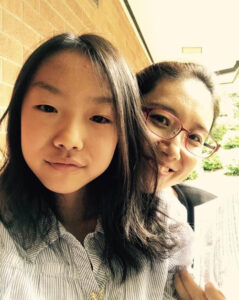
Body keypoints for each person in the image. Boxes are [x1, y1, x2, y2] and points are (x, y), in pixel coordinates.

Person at [0, 33, 194, 300]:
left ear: (123, 132)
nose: (69, 139)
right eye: (47, 107)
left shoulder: (164, 231)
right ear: (18, 112)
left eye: (99, 118)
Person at [136, 61, 226, 299]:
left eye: (195, 137)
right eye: (161, 120)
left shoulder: (199, 219)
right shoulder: (71, 203)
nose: (174, 151)